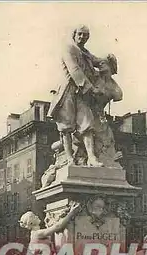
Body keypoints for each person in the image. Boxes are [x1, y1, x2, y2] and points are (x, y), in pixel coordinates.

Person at [48, 25, 104, 168]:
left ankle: (91, 157)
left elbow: (96, 60)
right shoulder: (69, 49)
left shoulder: (85, 52)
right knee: (66, 126)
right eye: (80, 34)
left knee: (87, 123)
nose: (82, 37)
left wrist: (106, 59)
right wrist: (91, 89)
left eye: (85, 35)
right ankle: (69, 158)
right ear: (74, 34)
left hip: (82, 93)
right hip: (68, 91)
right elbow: (75, 70)